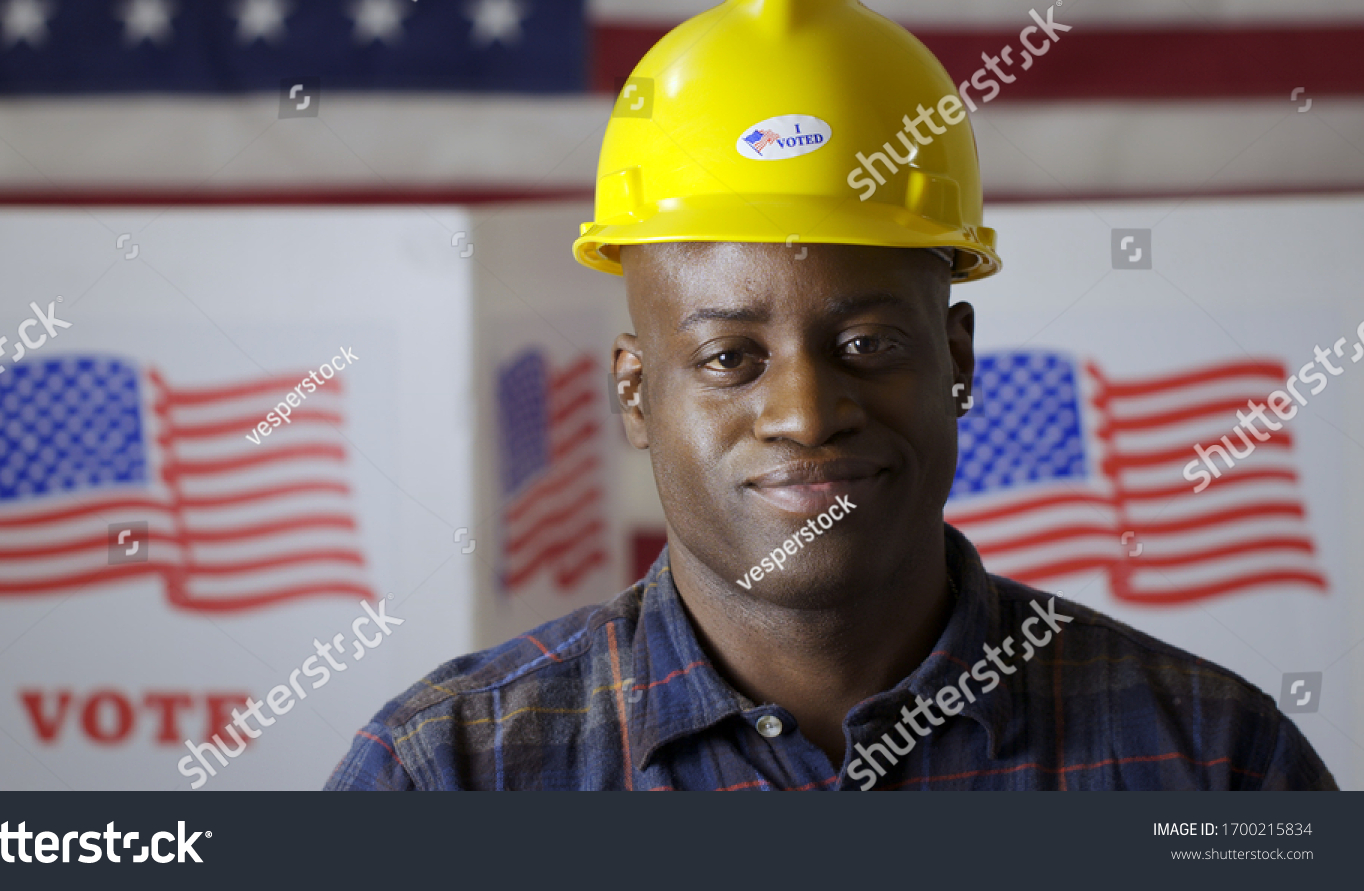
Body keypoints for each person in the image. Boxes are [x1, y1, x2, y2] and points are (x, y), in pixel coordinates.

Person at [326, 0, 1336, 791]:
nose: (808, 414)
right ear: (635, 394)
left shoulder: (1213, 761)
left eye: (866, 343)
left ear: (958, 359)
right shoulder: (450, 775)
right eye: (730, 357)